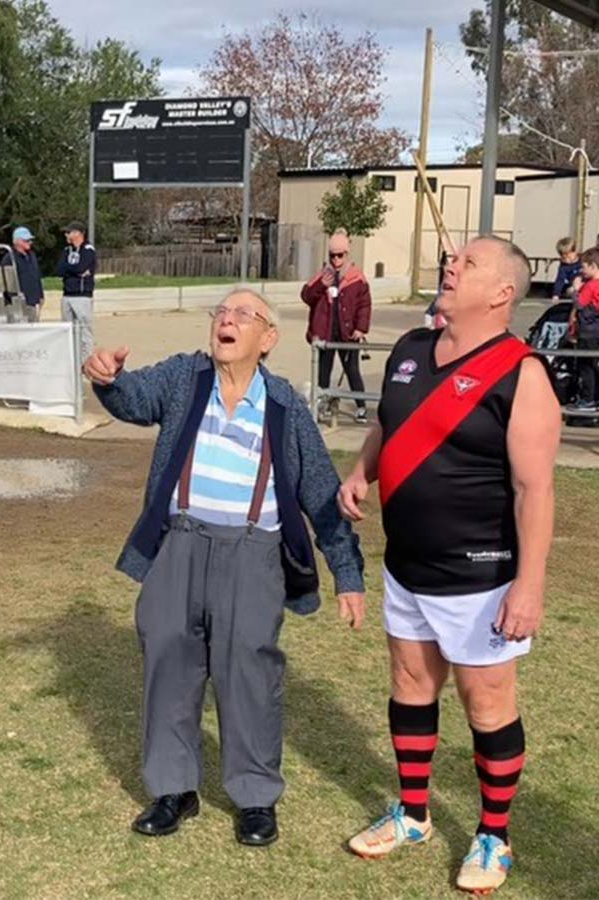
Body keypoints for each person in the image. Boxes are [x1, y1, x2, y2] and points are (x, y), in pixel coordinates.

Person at [84, 289, 365, 845]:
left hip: (253, 554)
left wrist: (347, 574)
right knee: (168, 661)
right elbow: (133, 399)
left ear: (268, 339)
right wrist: (107, 379)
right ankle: (173, 790)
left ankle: (256, 798)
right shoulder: (185, 378)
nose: (226, 322)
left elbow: (320, 493)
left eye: (243, 315)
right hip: (180, 545)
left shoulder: (284, 406)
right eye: (221, 313)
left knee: (249, 675)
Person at [339, 237, 559, 894]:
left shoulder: (523, 373)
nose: (451, 265)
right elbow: (390, 422)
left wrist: (530, 587)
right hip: (407, 566)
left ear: (502, 293)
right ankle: (412, 816)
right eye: (452, 257)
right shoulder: (409, 349)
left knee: (485, 703)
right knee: (410, 684)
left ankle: (494, 835)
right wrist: (360, 471)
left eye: (469, 262)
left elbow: (535, 491)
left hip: (482, 577)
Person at [301, 228, 372, 423]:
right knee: (323, 371)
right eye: (332, 256)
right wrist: (321, 286)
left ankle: (361, 406)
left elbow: (364, 305)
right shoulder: (322, 275)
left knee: (352, 370)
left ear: (347, 254)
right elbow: (307, 296)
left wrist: (360, 328)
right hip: (325, 333)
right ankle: (322, 403)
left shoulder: (357, 278)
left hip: (348, 334)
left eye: (340, 255)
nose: (336, 260)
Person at [56, 221, 97, 360]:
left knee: (85, 330)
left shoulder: (88, 249)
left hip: (82, 296)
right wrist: (74, 271)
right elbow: (59, 270)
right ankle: (72, 360)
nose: (66, 235)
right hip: (67, 295)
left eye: (69, 232)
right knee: (69, 330)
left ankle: (86, 361)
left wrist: (74, 270)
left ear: (78, 233)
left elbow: (82, 267)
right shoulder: (67, 250)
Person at [568, 247, 599, 408]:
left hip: (588, 332)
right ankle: (595, 397)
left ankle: (588, 399)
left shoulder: (591, 286)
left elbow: (580, 304)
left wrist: (574, 290)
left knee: (586, 367)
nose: (581, 270)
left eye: (584, 266)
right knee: (595, 366)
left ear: (593, 266)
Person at [7, 226, 45, 322]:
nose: (30, 243)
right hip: (17, 303)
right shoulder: (10, 258)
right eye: (26, 240)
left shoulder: (31, 255)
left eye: (30, 240)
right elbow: (8, 282)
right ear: (18, 241)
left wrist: (40, 295)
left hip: (31, 302)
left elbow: (36, 275)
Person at [551, 236, 582, 301]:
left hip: (589, 284)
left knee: (578, 279)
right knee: (571, 290)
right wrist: (556, 294)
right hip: (575, 288)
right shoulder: (564, 267)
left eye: (568, 256)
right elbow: (560, 280)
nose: (567, 260)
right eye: (563, 258)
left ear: (575, 251)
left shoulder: (584, 260)